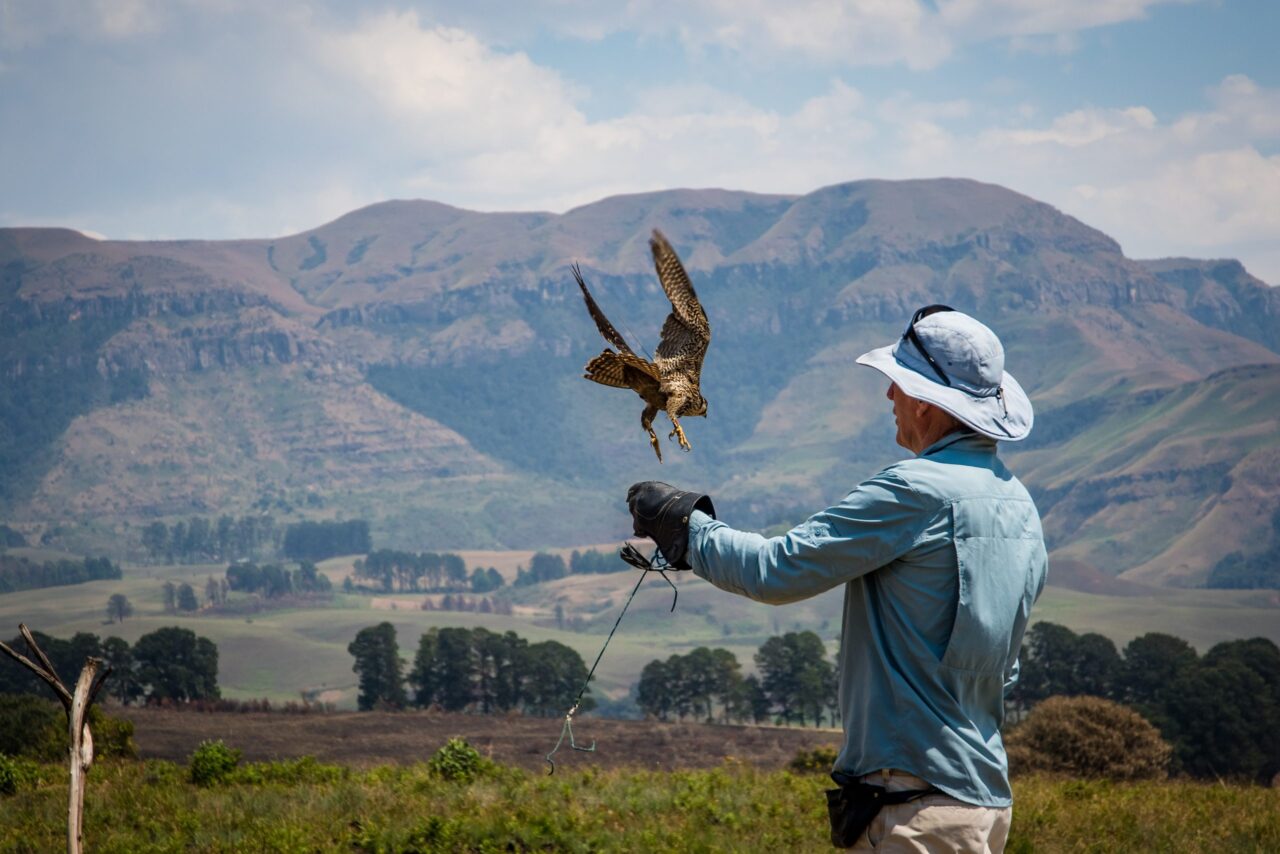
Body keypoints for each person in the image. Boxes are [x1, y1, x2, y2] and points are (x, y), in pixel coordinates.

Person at [628, 306, 1047, 852]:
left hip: (912, 801)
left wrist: (687, 527)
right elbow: (1003, 670)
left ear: (925, 403)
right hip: (982, 801)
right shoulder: (1018, 506)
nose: (889, 397)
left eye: (897, 384)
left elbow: (777, 572)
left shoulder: (915, 491)